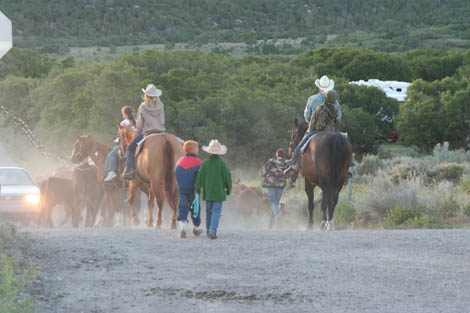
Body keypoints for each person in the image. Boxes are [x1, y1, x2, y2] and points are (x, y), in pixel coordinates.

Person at [286, 75, 342, 166]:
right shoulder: (336, 104)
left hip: (316, 130)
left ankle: (294, 159)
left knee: (301, 144)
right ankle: (347, 165)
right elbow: (339, 118)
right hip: (331, 131)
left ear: (319, 87)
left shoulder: (312, 99)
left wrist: (310, 130)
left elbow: (308, 117)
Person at [122, 84, 165, 180]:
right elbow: (162, 120)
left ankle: (132, 170)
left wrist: (138, 129)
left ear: (146, 95)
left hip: (147, 133)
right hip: (161, 132)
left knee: (129, 149)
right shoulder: (161, 105)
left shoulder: (143, 106)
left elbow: (140, 123)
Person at [194, 139, 232, 240]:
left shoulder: (205, 163)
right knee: (216, 212)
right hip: (219, 193)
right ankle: (212, 230)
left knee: (209, 211)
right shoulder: (222, 164)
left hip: (208, 193)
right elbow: (227, 177)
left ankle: (208, 230)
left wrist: (197, 189)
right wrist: (228, 189)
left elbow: (199, 177)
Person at [174, 140, 203, 238]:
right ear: (194, 150)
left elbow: (176, 175)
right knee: (195, 209)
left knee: (182, 208)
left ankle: (182, 229)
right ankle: (196, 228)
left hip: (182, 189)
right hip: (194, 191)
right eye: (197, 148)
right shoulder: (199, 162)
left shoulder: (179, 161)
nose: (198, 150)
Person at [103, 106, 136, 182]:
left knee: (110, 155)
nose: (122, 115)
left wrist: (115, 142)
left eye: (122, 113)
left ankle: (112, 172)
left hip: (126, 144)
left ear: (125, 114)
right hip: (136, 142)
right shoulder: (136, 121)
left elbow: (120, 137)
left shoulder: (123, 123)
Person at [260, 148, 289, 228]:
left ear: (277, 155)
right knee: (275, 203)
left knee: (273, 202)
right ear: (283, 155)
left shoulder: (270, 162)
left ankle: (278, 213)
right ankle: (270, 224)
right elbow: (289, 173)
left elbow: (262, 172)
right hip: (280, 186)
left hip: (271, 184)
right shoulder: (286, 163)